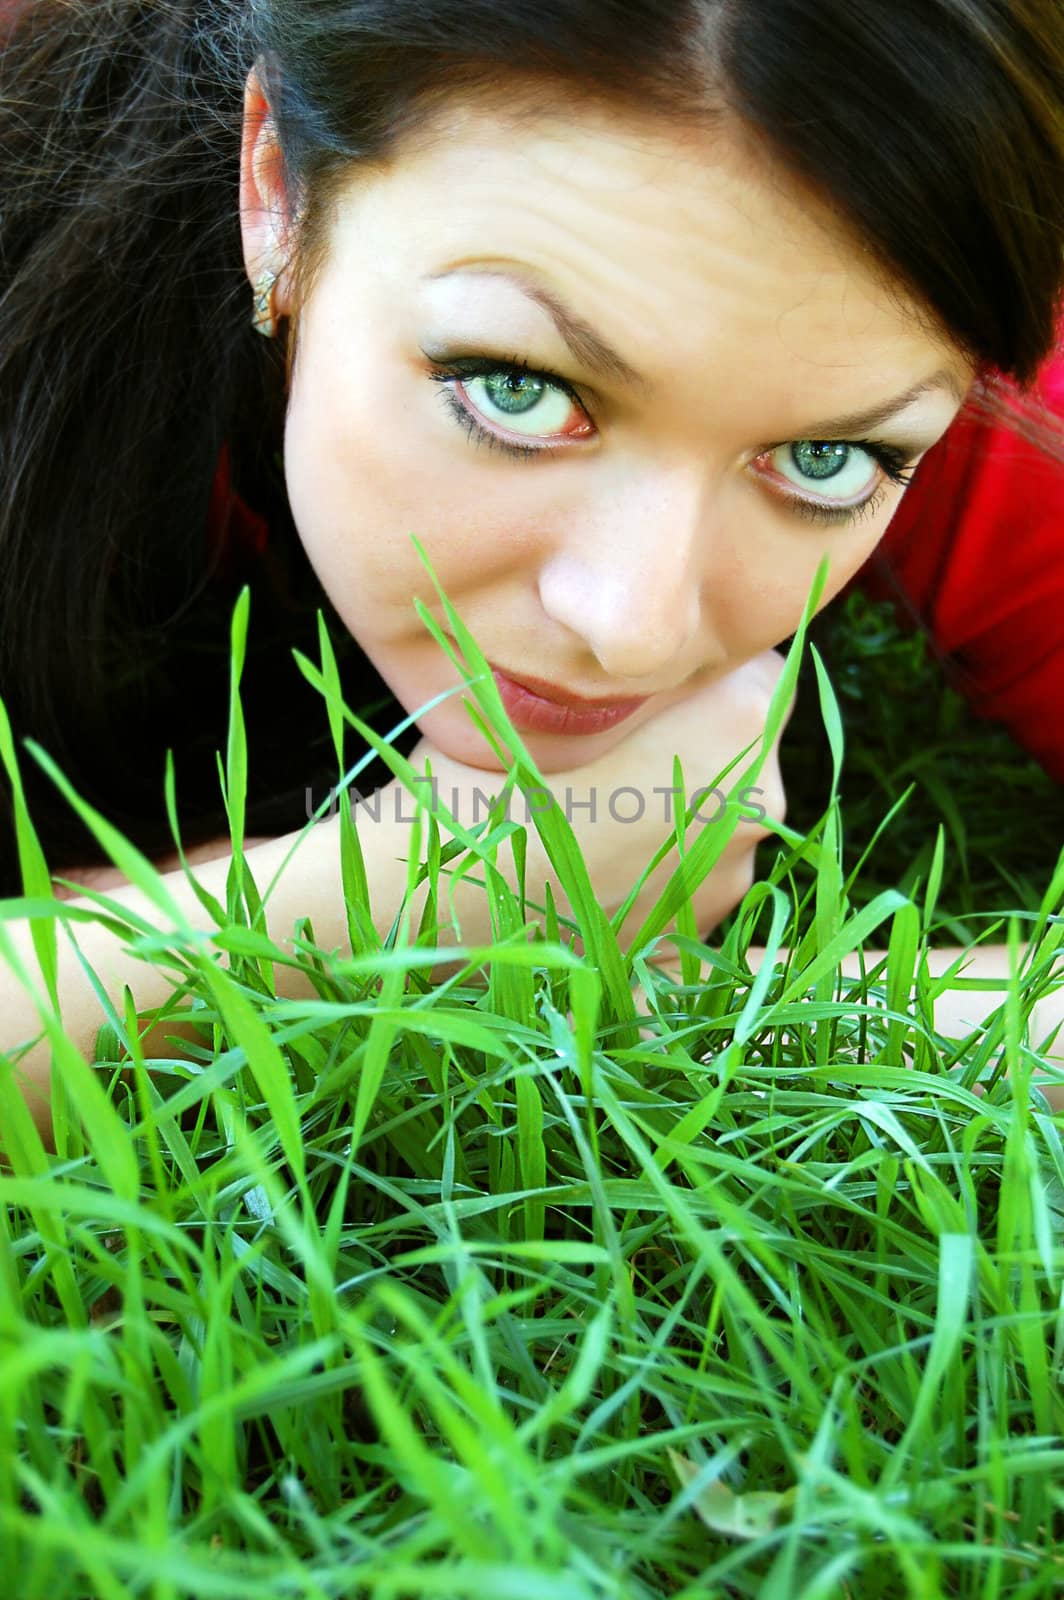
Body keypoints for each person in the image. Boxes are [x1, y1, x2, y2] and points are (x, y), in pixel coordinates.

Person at [0, 0, 1061, 1135]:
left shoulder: (920, 347)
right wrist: (408, 892)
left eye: (822, 459)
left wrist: (727, 1016)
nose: (631, 626)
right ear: (275, 188)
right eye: (517, 389)